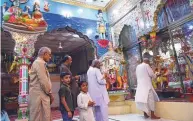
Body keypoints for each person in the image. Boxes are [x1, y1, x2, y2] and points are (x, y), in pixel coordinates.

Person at [29, 47, 54, 121]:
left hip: (38, 95)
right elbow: (44, 81)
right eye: (49, 55)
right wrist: (50, 94)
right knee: (40, 117)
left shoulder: (38, 62)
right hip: (40, 95)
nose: (50, 57)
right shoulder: (39, 63)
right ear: (45, 54)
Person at [135, 52, 160, 119]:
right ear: (147, 61)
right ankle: (152, 115)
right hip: (147, 86)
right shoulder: (146, 65)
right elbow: (152, 75)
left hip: (140, 86)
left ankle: (145, 114)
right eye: (149, 61)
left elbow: (137, 76)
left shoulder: (138, 66)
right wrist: (156, 74)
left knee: (143, 100)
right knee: (151, 100)